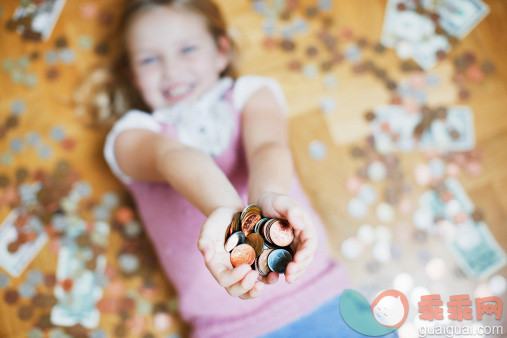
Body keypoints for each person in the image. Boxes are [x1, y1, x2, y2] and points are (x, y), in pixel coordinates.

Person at [79, 0, 377, 336]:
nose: (172, 69)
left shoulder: (251, 94)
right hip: (226, 329)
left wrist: (267, 200)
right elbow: (173, 157)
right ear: (133, 76)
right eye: (149, 59)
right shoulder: (131, 135)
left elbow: (268, 147)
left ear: (221, 50)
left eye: (188, 48)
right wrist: (227, 210)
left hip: (325, 301)